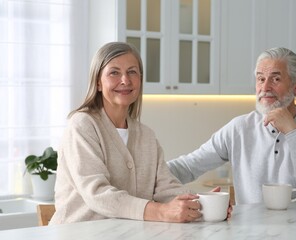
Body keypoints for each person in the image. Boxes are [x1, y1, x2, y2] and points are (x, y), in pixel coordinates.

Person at [50, 42, 202, 224]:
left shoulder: (146, 136)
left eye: (132, 72)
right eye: (114, 72)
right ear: (98, 82)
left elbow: (165, 188)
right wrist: (161, 212)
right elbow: (98, 194)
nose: (125, 80)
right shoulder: (82, 125)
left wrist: (202, 203)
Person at [167, 47, 296, 205]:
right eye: (260, 79)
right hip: (249, 232)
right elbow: (188, 167)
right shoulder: (238, 128)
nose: (265, 87)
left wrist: (293, 132)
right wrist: (145, 174)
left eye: (276, 79)